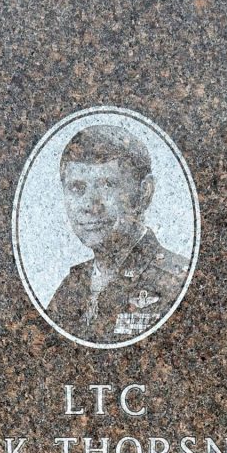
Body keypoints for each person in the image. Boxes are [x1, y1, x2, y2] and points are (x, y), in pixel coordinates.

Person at [47, 125, 188, 343]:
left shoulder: (176, 283)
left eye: (107, 185)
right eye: (77, 188)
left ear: (144, 193)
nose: (90, 205)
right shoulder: (71, 288)